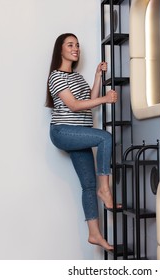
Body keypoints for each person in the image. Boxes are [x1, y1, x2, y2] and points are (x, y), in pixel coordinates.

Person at [45, 33, 119, 251]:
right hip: (63, 132)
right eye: (70, 45)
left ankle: (94, 234)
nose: (75, 48)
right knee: (105, 137)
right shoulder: (56, 76)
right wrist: (106, 98)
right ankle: (105, 190)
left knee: (88, 185)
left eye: (77, 45)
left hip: (80, 133)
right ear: (60, 49)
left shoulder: (77, 77)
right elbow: (75, 105)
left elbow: (89, 102)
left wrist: (97, 76)